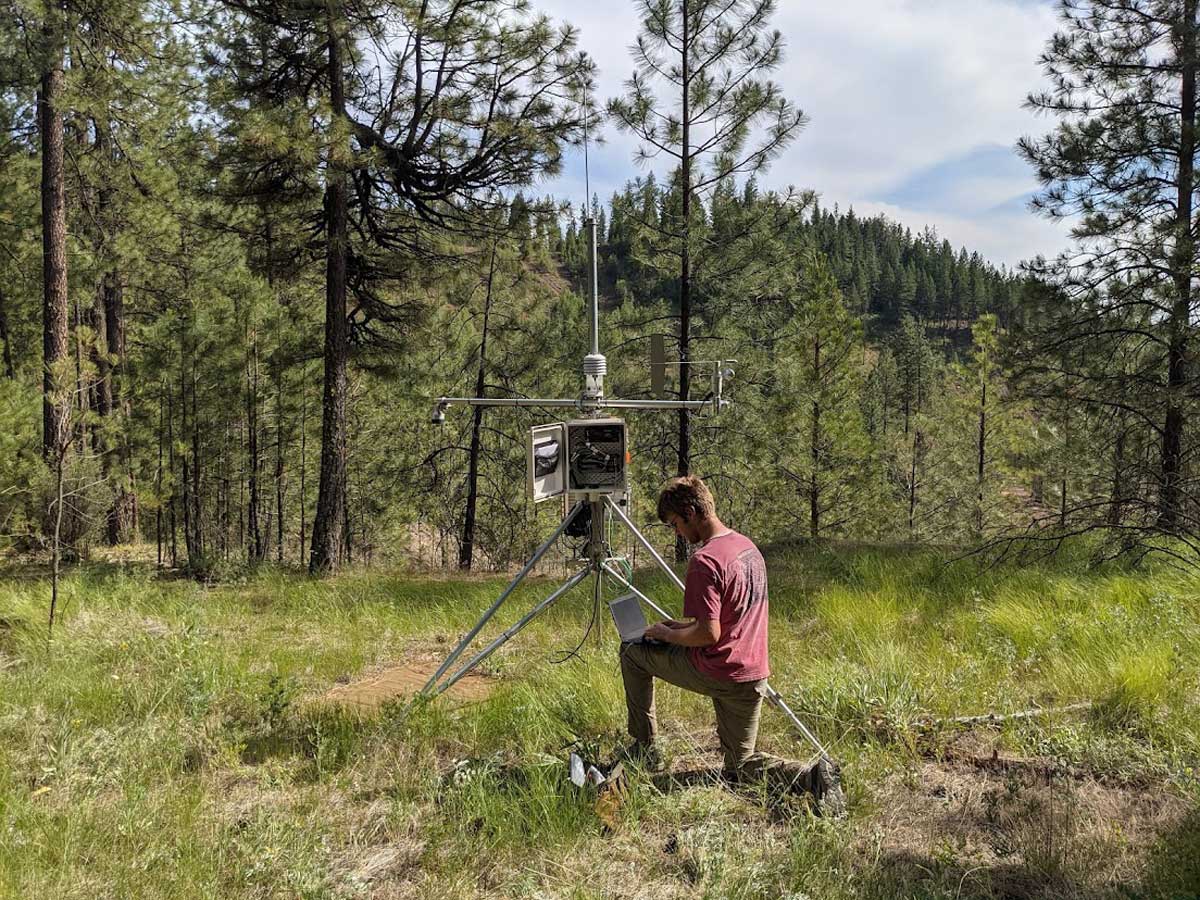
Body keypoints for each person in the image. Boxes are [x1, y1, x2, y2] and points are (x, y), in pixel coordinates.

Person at [618, 474, 843, 812]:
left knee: (633, 653)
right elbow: (729, 617)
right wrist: (677, 626)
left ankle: (644, 746)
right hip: (753, 673)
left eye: (676, 524)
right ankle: (812, 777)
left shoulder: (705, 561)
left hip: (718, 670)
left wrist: (665, 635)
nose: (677, 533)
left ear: (692, 512)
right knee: (740, 767)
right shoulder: (746, 547)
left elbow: (709, 635)